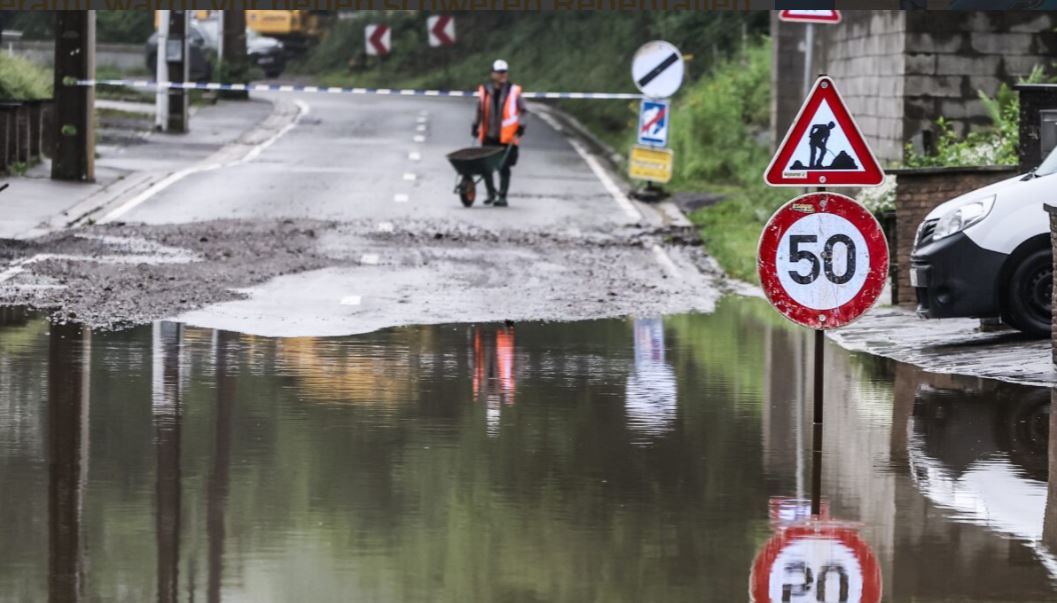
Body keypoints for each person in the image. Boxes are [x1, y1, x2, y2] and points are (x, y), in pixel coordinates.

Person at [472, 59, 526, 207]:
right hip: (489, 135)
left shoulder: (513, 91)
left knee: (504, 167)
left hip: (507, 137)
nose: (503, 75)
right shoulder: (485, 90)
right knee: (486, 167)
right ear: (492, 74)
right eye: (499, 72)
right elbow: (479, 109)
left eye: (504, 72)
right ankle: (491, 193)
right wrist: (475, 125)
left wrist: (521, 126)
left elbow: (523, 110)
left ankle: (502, 196)